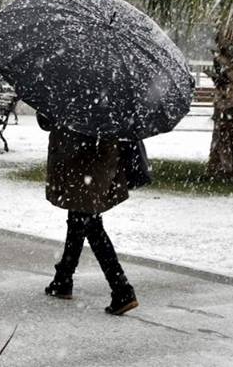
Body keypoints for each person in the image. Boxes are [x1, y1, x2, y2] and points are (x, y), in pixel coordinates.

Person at [37, 112, 139, 316]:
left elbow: (47, 121)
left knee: (90, 224)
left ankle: (121, 288)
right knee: (79, 220)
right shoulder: (109, 94)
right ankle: (63, 278)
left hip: (80, 159)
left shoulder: (70, 91)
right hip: (97, 158)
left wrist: (49, 113)